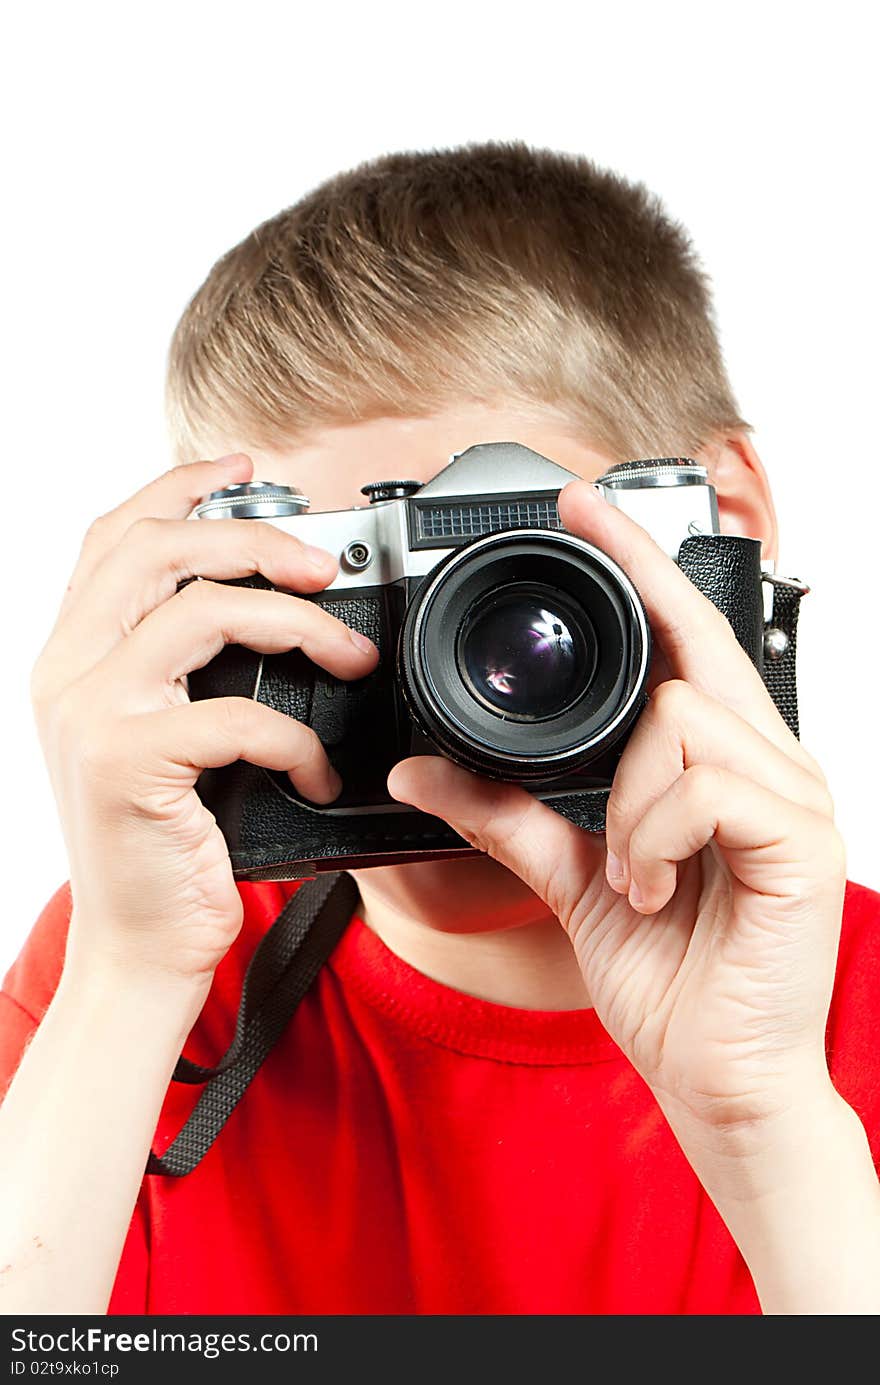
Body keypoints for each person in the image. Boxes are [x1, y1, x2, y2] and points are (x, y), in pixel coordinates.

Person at [1, 141, 878, 1317]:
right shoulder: (144, 970)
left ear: (722, 523)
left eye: (505, 571)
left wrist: (768, 1115)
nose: (446, 676)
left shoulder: (854, 1006)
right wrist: (124, 980)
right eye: (354, 582)